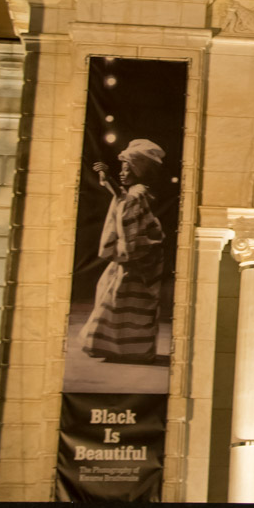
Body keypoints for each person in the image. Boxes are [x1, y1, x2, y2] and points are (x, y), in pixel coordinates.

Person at [80, 138, 167, 362]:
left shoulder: (137, 195)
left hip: (136, 259)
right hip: (136, 257)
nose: (122, 172)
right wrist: (106, 179)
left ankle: (127, 348)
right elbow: (121, 198)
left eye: (127, 168)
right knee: (118, 296)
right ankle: (123, 347)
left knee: (123, 300)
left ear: (139, 170)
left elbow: (131, 221)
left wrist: (128, 254)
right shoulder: (136, 193)